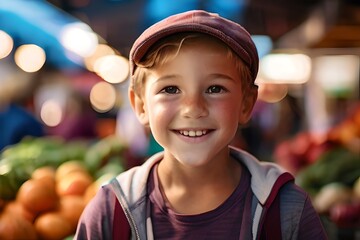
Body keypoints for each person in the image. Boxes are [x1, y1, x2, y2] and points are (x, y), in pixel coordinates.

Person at [75, 10, 327, 239]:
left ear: (246, 104)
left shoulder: (287, 211)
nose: (193, 108)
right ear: (141, 105)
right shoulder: (110, 213)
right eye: (170, 88)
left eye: (215, 88)